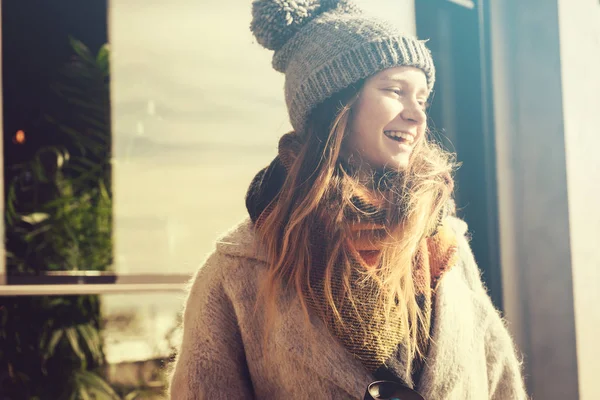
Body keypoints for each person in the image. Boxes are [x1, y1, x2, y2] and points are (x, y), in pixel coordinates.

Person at [168, 0, 528, 399]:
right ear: (336, 104)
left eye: (422, 98)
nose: (417, 115)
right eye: (395, 91)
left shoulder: (443, 244)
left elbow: (500, 381)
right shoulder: (240, 266)